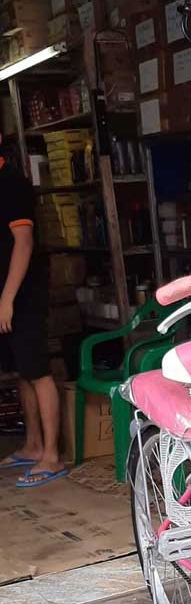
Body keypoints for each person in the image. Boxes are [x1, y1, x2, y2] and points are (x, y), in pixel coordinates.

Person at [0, 137, 66, 486]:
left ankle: (51, 455)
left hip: (23, 295)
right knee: (22, 372)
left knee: (38, 371)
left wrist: (8, 298)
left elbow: (23, 243)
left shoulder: (12, 184)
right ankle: (32, 444)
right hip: (6, 297)